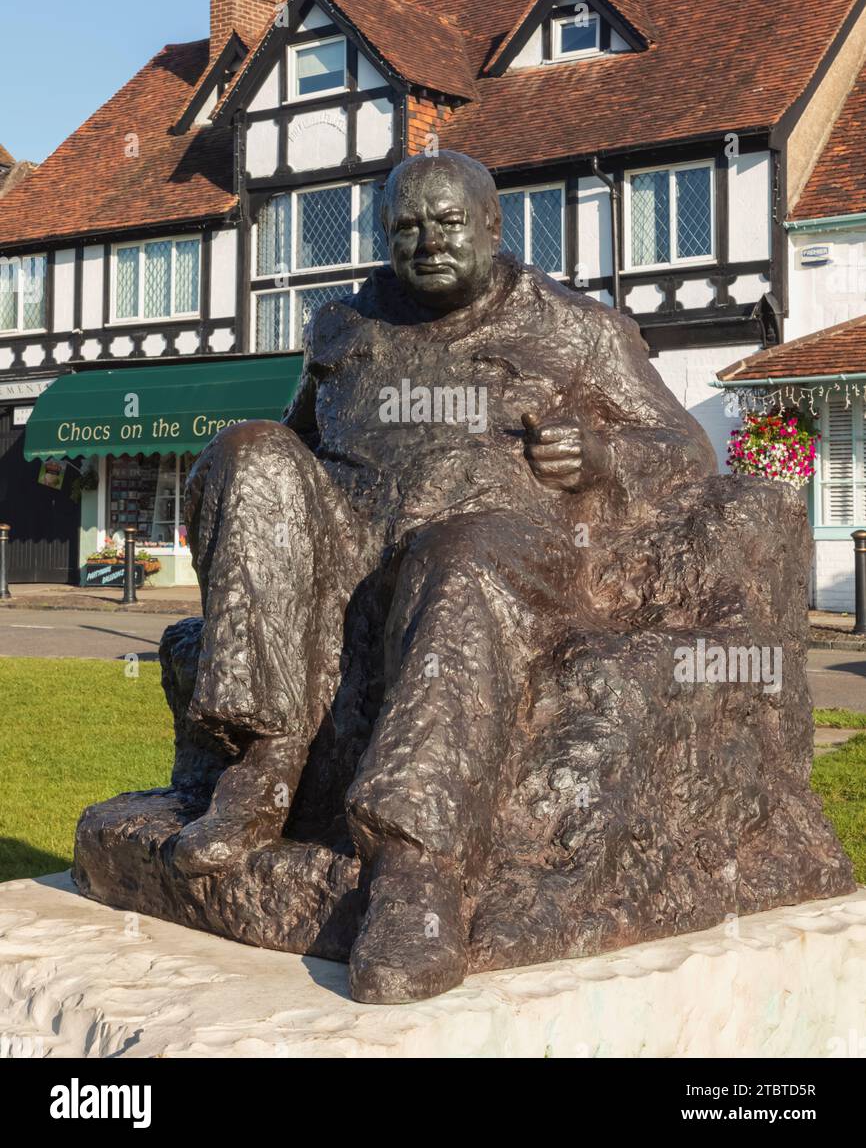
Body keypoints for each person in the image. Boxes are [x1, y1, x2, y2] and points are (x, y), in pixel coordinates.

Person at [173, 149, 716, 1002]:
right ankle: (263, 765)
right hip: (354, 532)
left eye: (448, 223)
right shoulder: (341, 327)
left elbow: (686, 447)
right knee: (251, 452)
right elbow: (299, 445)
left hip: (497, 540)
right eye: (406, 227)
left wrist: (603, 454)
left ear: (495, 229)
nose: (426, 241)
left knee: (454, 561)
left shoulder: (576, 328)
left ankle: (416, 872)